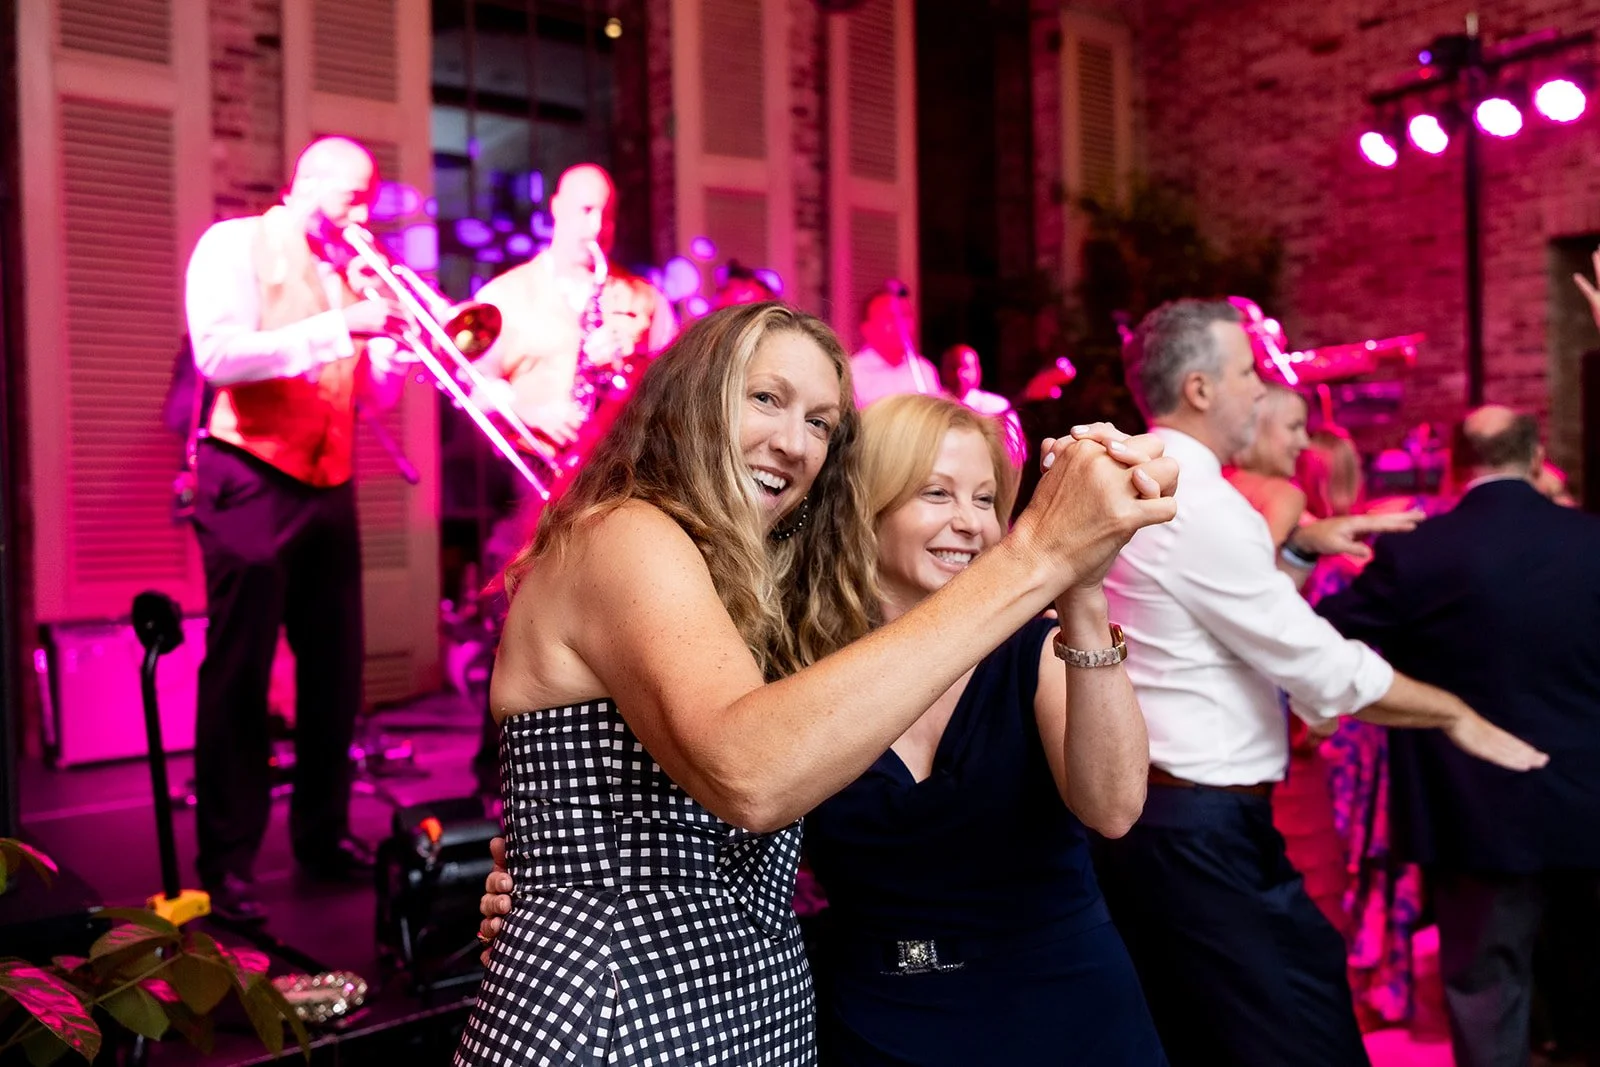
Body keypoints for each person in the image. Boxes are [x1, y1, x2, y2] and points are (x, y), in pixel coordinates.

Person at [453, 301, 1180, 1065]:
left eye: (821, 423)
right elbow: (749, 771)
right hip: (630, 1018)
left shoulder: (762, 609)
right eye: (766, 397)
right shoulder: (628, 534)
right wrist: (1040, 554)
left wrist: (555, 868)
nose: (794, 442)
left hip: (756, 1014)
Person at [1093, 299, 1548, 1067]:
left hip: (1175, 820)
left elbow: (1219, 619)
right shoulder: (1196, 500)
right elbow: (1320, 663)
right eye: (1249, 373)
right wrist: (1453, 713)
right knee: (1306, 1038)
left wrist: (1300, 550)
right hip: (1200, 828)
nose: (1261, 390)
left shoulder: (1149, 478)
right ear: (1200, 388)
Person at [1317, 406, 1600, 1067]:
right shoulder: (1592, 540)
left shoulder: (1419, 552)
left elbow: (1319, 639)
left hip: (1474, 810)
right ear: (1536, 458)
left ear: (1453, 464)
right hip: (1591, 801)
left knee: (1486, 992)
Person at [182, 136, 408, 921]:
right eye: (353, 195)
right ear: (308, 182)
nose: (363, 213)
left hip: (328, 483)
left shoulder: (344, 273)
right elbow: (219, 355)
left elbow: (363, 398)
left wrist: (390, 359)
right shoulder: (234, 244)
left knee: (335, 674)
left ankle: (322, 833)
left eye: (368, 198)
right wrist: (344, 324)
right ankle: (227, 861)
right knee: (240, 672)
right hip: (248, 474)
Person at [468, 163, 677, 457]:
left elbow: (679, 390)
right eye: (586, 210)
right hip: (536, 467)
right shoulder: (503, 294)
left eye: (607, 215)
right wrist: (525, 410)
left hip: (622, 468)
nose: (596, 227)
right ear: (557, 207)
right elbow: (473, 388)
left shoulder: (646, 297)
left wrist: (636, 363)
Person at [849, 281, 941, 409]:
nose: (902, 325)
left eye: (906, 316)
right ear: (867, 329)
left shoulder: (924, 370)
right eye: (891, 317)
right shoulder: (854, 373)